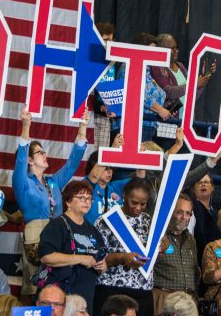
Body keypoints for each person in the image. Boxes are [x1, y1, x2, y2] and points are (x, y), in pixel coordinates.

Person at [12, 108, 90, 298]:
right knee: (35, 287)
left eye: (44, 151)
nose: (45, 155)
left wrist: (82, 128)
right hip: (36, 237)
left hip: (58, 234)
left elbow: (72, 164)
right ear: (30, 160)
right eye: (40, 152)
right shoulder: (22, 182)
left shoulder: (53, 182)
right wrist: (26, 126)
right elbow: (20, 160)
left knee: (56, 287)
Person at [38, 180, 107, 315]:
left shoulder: (93, 230)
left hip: (85, 296)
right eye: (81, 198)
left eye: (89, 198)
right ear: (68, 202)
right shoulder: (58, 225)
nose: (87, 202)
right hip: (60, 297)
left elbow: (102, 257)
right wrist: (80, 258)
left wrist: (102, 266)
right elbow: (46, 257)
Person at [93, 178, 155, 316]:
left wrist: (161, 246)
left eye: (143, 204)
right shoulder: (105, 220)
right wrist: (122, 258)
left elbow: (154, 255)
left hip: (143, 289)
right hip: (111, 288)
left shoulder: (149, 221)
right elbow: (96, 258)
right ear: (124, 195)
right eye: (134, 202)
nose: (138, 208)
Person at [112, 33, 172, 142]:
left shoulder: (147, 71)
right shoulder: (130, 67)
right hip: (133, 126)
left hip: (146, 125)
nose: (154, 54)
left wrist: (165, 108)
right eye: (150, 50)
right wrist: (160, 110)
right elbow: (138, 93)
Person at [153, 194, 200, 316]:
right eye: (179, 212)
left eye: (188, 213)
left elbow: (194, 270)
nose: (184, 217)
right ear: (170, 211)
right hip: (163, 298)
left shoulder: (191, 240)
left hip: (188, 300)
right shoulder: (158, 235)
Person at [151, 33, 215, 118]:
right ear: (162, 49)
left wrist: (205, 76)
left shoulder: (180, 66)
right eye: (173, 48)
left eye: (176, 47)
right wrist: (195, 84)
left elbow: (191, 96)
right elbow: (168, 92)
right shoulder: (157, 67)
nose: (177, 51)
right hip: (170, 120)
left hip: (186, 118)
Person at [93, 22, 117, 150]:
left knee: (100, 159)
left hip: (105, 117)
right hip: (91, 115)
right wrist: (100, 107)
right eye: (106, 39)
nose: (110, 43)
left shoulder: (113, 62)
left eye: (112, 39)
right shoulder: (90, 60)